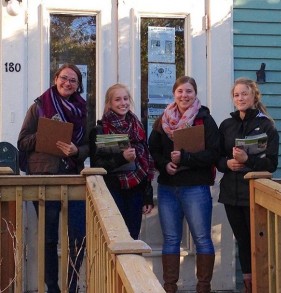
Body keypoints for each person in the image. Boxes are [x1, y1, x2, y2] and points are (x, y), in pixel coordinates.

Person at [18, 63, 88, 293]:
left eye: (73, 81)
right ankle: (52, 287)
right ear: (56, 78)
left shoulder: (83, 109)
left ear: (78, 86)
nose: (67, 83)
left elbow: (89, 145)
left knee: (77, 237)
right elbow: (22, 142)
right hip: (45, 178)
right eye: (64, 78)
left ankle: (72, 284)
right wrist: (45, 134)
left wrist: (77, 151)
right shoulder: (38, 107)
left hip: (73, 179)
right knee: (49, 239)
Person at [148, 76, 220, 293]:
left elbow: (214, 153)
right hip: (168, 188)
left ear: (195, 94)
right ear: (174, 94)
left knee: (202, 239)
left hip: (195, 187)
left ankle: (203, 288)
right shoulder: (163, 120)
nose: (184, 95)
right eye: (180, 91)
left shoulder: (204, 120)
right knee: (170, 240)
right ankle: (170, 288)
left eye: (188, 91)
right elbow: (154, 149)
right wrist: (164, 165)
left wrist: (185, 159)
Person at [217, 78, 279, 293]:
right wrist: (227, 163)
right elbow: (216, 157)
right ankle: (248, 285)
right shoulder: (227, 125)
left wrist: (247, 161)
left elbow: (271, 163)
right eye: (236, 95)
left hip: (254, 193)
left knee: (257, 242)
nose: (240, 98)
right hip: (230, 193)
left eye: (244, 94)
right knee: (242, 241)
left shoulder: (266, 125)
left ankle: (262, 286)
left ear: (254, 96)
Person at [89, 83, 155, 240]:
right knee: (116, 238)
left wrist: (147, 196)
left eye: (125, 98)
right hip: (113, 190)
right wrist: (122, 158)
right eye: (117, 100)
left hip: (136, 191)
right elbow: (97, 165)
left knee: (132, 237)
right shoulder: (101, 130)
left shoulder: (138, 127)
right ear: (110, 104)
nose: (123, 103)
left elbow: (145, 162)